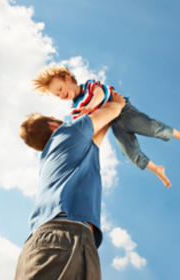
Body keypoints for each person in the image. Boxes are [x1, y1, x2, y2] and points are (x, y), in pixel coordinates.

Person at [14, 92, 126, 280]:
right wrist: (117, 99)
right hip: (65, 239)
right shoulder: (68, 132)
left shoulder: (53, 155)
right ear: (53, 125)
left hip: (37, 248)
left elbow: (97, 134)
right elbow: (114, 108)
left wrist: (99, 115)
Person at [33, 66, 180, 187]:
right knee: (129, 152)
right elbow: (86, 127)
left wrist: (91, 107)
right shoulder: (75, 109)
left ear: (68, 78)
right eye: (57, 95)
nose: (61, 95)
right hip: (113, 123)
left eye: (60, 89)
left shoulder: (89, 86)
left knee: (151, 128)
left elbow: (101, 93)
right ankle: (157, 169)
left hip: (124, 111)